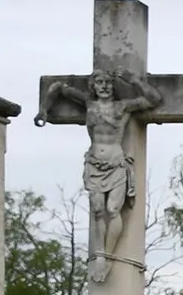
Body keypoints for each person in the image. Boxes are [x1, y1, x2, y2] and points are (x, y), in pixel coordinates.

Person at [40, 71, 160, 284]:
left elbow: (154, 99)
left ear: (113, 86)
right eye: (99, 82)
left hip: (115, 164)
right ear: (93, 86)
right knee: (97, 211)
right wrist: (44, 110)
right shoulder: (89, 104)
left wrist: (133, 80)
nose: (104, 86)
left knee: (113, 210)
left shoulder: (121, 107)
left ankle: (108, 256)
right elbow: (57, 87)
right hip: (94, 164)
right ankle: (100, 255)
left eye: (108, 83)